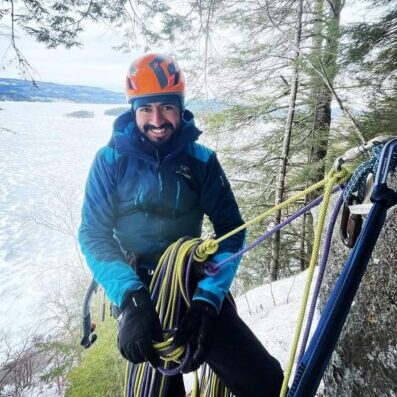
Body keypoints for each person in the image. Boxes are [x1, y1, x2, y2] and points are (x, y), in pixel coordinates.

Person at [78, 53, 284, 397]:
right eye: (146, 109)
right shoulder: (110, 161)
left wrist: (208, 299)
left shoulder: (201, 160)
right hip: (138, 290)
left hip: (192, 282)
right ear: (133, 111)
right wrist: (131, 301)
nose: (157, 119)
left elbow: (232, 232)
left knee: (264, 380)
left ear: (180, 107)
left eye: (166, 107)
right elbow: (94, 236)